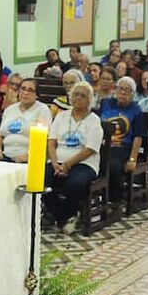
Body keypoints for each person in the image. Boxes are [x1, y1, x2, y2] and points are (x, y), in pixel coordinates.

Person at [45, 82, 102, 234]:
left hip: (84, 163)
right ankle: (64, 216)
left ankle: (64, 215)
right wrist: (56, 163)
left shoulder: (94, 120)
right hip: (58, 161)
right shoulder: (61, 117)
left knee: (75, 183)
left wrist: (68, 164)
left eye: (82, 96)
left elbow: (90, 149)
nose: (78, 98)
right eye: (75, 94)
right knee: (41, 178)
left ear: (90, 100)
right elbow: (51, 142)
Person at [99, 77, 146, 203]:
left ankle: (114, 199)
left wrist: (132, 159)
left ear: (133, 94)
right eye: (121, 89)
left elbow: (138, 136)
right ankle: (94, 196)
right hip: (101, 144)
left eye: (128, 90)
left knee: (112, 165)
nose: (123, 92)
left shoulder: (136, 110)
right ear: (115, 89)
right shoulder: (106, 103)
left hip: (122, 146)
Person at [0, 78, 52, 163]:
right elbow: (0, 135)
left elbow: (45, 138)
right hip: (5, 156)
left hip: (30, 159)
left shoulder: (42, 110)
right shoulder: (10, 110)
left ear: (37, 95)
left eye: (30, 90)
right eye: (23, 89)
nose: (25, 93)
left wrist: (29, 155)